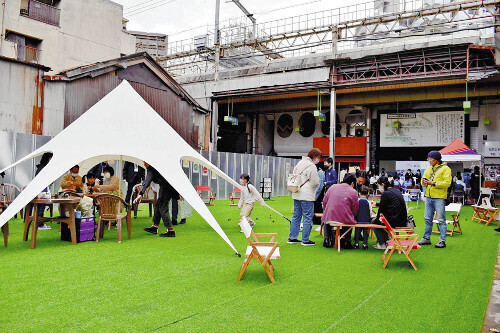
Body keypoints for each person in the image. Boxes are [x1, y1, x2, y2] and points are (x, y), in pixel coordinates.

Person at [418, 150, 452, 248]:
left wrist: (433, 183)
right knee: (427, 218)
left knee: (441, 219)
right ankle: (426, 238)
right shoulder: (428, 168)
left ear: (436, 160)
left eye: (430, 159)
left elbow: (447, 183)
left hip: (439, 198)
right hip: (428, 197)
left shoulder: (446, 169)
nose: (429, 160)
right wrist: (424, 182)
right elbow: (422, 181)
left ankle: (442, 241)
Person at [287, 148, 321, 246]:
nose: (318, 160)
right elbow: (315, 182)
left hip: (296, 192)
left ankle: (292, 237)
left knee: (296, 216)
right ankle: (305, 239)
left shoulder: (300, 163)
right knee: (307, 217)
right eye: (318, 157)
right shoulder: (312, 166)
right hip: (307, 194)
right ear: (314, 157)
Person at [135, 162, 178, 237]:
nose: (144, 164)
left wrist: (141, 193)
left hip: (167, 187)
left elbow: (147, 180)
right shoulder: (157, 165)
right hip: (167, 186)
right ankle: (155, 227)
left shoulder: (151, 168)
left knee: (162, 206)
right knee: (158, 204)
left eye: (145, 162)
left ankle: (170, 230)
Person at [321, 173, 359, 249]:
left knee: (326, 217)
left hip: (329, 217)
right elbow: (355, 209)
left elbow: (324, 202)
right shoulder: (353, 191)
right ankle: (346, 240)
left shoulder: (332, 187)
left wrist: (327, 211)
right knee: (350, 220)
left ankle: (327, 239)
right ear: (352, 183)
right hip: (345, 219)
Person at [372, 176, 407, 250]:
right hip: (402, 219)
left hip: (394, 221)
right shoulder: (396, 190)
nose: (378, 188)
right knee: (380, 221)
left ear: (382, 184)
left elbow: (381, 211)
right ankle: (386, 241)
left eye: (378, 185)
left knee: (374, 222)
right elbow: (387, 203)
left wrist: (376, 219)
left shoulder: (386, 194)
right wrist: (377, 204)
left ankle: (382, 243)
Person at [35, 152, 53, 230]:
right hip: (42, 190)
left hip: (40, 190)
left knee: (40, 206)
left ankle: (38, 222)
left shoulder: (41, 167)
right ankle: (40, 224)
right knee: (41, 205)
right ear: (49, 158)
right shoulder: (43, 168)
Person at [354, 185, 371, 250]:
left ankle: (356, 243)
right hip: (366, 220)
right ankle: (365, 244)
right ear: (367, 193)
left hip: (358, 220)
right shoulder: (368, 202)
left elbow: (355, 210)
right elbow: (370, 212)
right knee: (365, 232)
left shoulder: (357, 201)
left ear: (359, 193)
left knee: (357, 232)